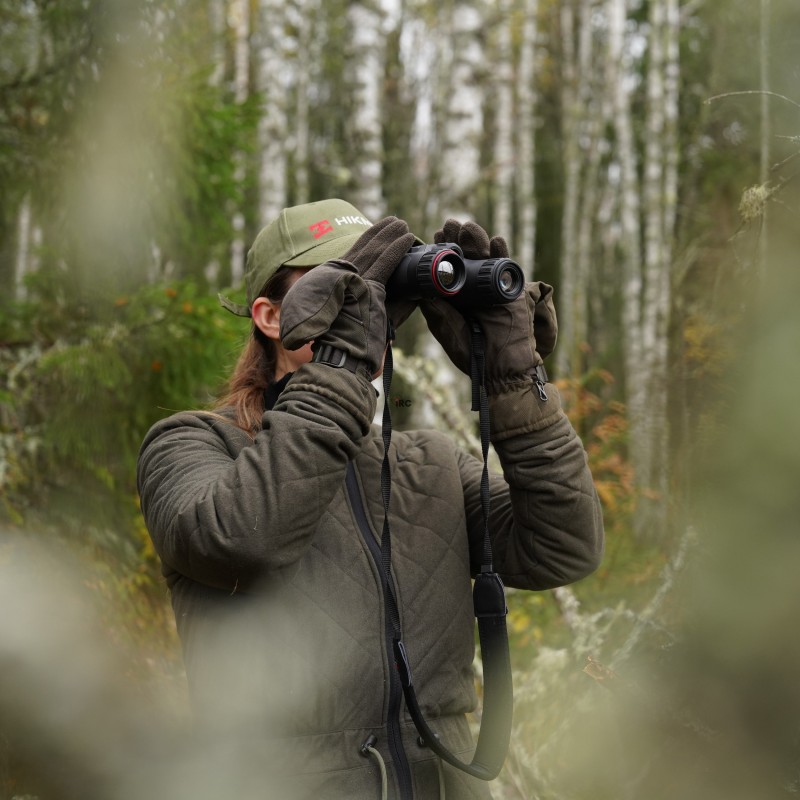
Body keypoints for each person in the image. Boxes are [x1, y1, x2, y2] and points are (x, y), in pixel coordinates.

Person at [137, 198, 604, 800]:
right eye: (339, 284)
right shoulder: (191, 445)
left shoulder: (428, 464)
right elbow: (240, 539)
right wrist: (341, 364)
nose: (366, 301)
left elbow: (564, 548)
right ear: (270, 316)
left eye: (377, 285)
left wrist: (513, 380)